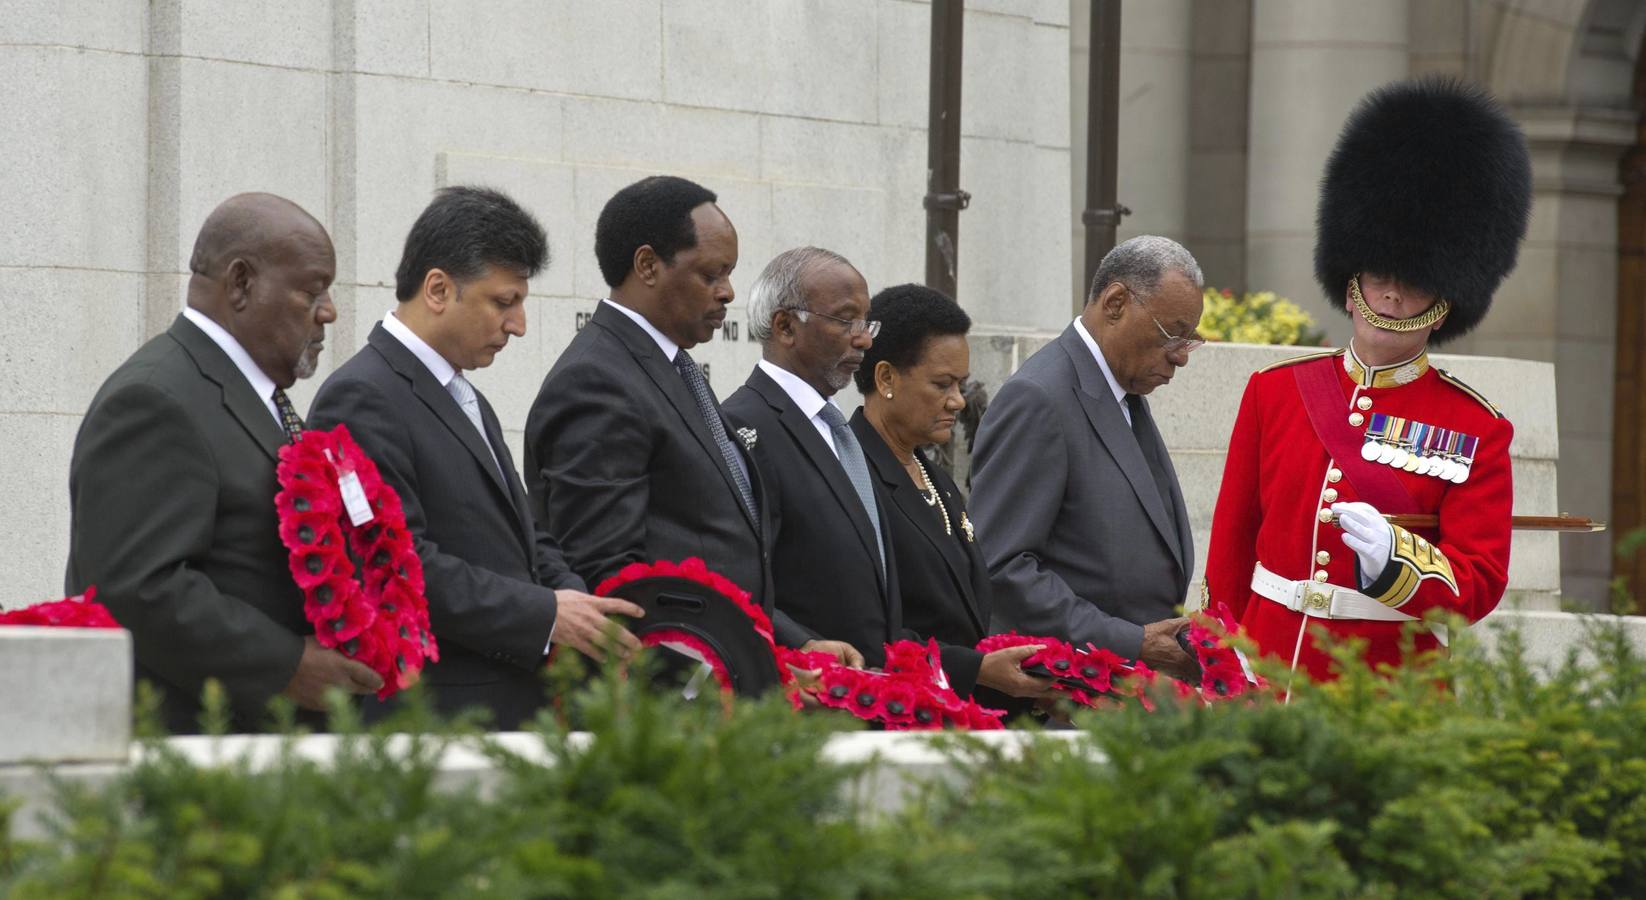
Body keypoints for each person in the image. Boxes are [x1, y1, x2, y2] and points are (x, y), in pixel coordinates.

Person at [1204, 78, 1527, 686]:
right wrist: (1223, 643)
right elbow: (1232, 541)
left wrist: (1399, 562)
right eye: (1379, 271)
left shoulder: (1476, 429)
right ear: (1352, 276)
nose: (1393, 291)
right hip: (1265, 667)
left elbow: (1479, 581)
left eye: (1415, 278)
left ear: (1447, 295)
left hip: (1383, 687)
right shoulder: (1275, 394)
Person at [307, 186, 641, 728]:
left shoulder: (466, 396)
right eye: (503, 302)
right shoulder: (362, 396)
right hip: (437, 719)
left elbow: (525, 535)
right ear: (438, 289)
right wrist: (548, 615)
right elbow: (396, 566)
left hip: (507, 709)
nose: (519, 325)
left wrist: (577, 603)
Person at [65, 192, 381, 733]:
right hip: (198, 751)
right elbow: (137, 587)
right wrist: (285, 666)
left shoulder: (257, 392)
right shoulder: (156, 399)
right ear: (241, 284)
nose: (328, 311)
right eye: (312, 290)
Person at [525, 175, 772, 611]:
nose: (728, 292)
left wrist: (785, 644)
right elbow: (608, 576)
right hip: (672, 669)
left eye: (730, 273)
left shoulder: (670, 365)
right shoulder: (597, 381)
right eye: (711, 273)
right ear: (647, 266)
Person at [969, 235, 1203, 680]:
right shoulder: (1039, 398)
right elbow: (1001, 565)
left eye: (1190, 340)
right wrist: (1131, 643)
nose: (1180, 357)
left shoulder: (1122, 388)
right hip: (1068, 690)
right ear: (1115, 302)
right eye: (1172, 334)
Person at [850, 283, 1058, 701]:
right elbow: (864, 628)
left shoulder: (935, 477)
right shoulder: (852, 476)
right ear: (886, 377)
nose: (959, 402)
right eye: (942, 384)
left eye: (961, 384)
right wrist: (975, 670)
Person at [722, 247, 894, 669]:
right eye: (845, 320)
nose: (865, 338)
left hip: (871, 698)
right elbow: (736, 579)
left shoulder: (839, 429)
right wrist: (801, 646)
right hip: (805, 698)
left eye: (866, 321)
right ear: (785, 326)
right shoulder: (742, 427)